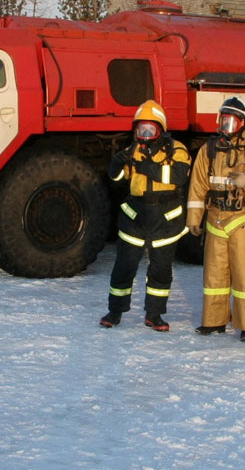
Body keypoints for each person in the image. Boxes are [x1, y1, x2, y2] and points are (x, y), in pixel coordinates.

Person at [186, 96, 245, 342]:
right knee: (214, 275)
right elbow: (198, 184)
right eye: (225, 120)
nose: (228, 126)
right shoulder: (209, 149)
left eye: (233, 121)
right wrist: (195, 217)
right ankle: (213, 322)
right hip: (215, 218)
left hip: (242, 219)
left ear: (243, 122)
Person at [99, 100, 191, 331]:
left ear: (161, 130)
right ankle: (115, 311)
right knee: (124, 266)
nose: (146, 135)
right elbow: (118, 179)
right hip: (135, 217)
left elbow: (179, 175)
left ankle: (155, 314)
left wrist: (144, 167)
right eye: (142, 130)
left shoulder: (177, 149)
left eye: (151, 129)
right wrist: (116, 164)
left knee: (160, 270)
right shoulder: (132, 151)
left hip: (165, 217)